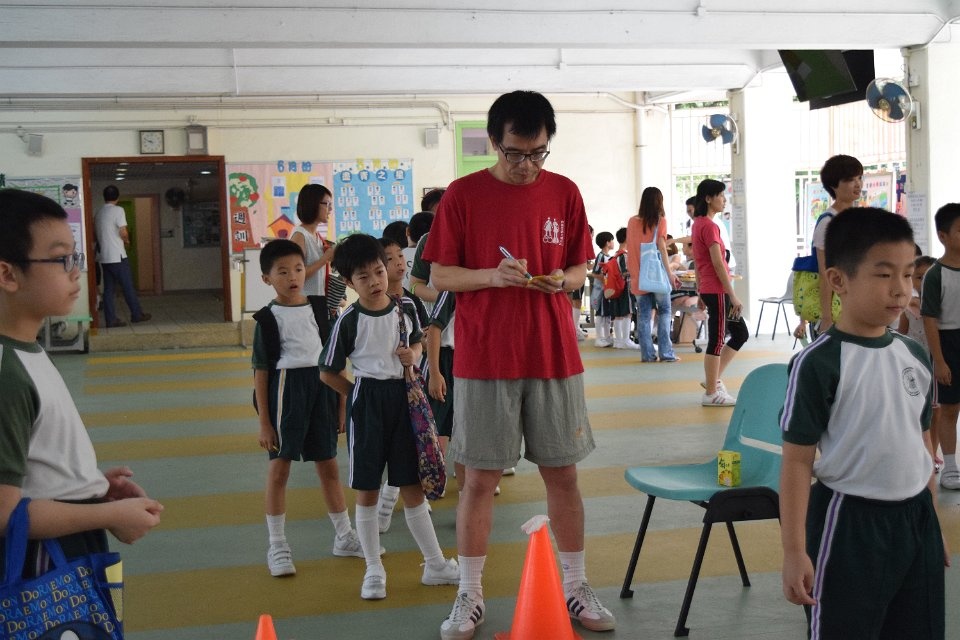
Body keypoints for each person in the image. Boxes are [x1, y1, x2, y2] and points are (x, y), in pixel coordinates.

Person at [423, 90, 615, 639]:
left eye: (537, 153)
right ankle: (469, 593)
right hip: (486, 358)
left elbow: (579, 266)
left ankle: (576, 583)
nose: (527, 165)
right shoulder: (463, 196)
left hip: (554, 353)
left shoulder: (565, 192)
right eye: (515, 154)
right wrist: (492, 275)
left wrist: (564, 280)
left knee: (564, 474)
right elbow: (439, 275)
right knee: (479, 479)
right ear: (493, 141)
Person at [780, 207, 947, 638]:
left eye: (908, 274)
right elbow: (797, 462)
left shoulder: (914, 355)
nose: (901, 289)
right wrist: (794, 551)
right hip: (849, 525)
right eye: (884, 274)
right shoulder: (818, 363)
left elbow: (922, 442)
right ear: (838, 280)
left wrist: (932, 521)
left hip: (917, 521)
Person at [0, 188, 163, 578]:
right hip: (40, 566)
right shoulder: (7, 373)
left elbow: (35, 473)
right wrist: (107, 514)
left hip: (64, 547)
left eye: (76, 256)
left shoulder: (27, 352)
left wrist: (88, 489)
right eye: (61, 259)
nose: (75, 271)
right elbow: (4, 515)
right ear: (7, 274)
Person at [318, 233, 459, 601]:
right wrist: (356, 396)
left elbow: (418, 340)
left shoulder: (405, 307)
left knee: (411, 487)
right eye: (363, 277)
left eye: (378, 272)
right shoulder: (348, 320)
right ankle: (373, 569)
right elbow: (328, 371)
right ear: (349, 283)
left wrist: (415, 354)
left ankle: (435, 564)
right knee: (367, 490)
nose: (374, 281)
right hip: (367, 402)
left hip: (404, 399)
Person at [252, 238, 366, 577]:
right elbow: (261, 372)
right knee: (279, 469)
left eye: (299, 269)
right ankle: (277, 545)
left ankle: (344, 535)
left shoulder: (320, 309)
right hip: (286, 391)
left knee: (328, 465)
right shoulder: (267, 319)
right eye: (283, 272)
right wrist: (265, 422)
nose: (293, 277)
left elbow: (334, 360)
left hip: (322, 389)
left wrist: (342, 404)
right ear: (267, 278)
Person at [692, 179, 748, 406]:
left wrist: (699, 291)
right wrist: (732, 294)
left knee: (740, 333)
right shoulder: (709, 226)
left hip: (710, 290)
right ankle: (711, 393)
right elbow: (717, 263)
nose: (724, 200)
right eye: (721, 195)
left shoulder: (698, 224)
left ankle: (712, 380)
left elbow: (699, 261)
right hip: (717, 291)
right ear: (708, 198)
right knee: (716, 339)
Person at [922, 202, 960, 491]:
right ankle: (951, 467)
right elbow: (930, 320)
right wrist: (940, 360)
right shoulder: (935, 274)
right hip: (949, 344)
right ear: (943, 236)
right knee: (949, 409)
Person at [627, 186, 681, 363]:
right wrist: (670, 274)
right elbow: (662, 249)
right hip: (657, 276)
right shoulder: (660, 221)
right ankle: (666, 353)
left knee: (643, 316)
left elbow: (631, 248)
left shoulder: (632, 222)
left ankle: (647, 355)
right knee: (664, 311)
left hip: (638, 277)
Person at [810, 155, 863, 335]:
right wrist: (827, 317)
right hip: (836, 311)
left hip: (856, 305)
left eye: (859, 178)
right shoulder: (828, 222)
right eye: (850, 180)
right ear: (834, 185)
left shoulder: (859, 219)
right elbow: (824, 273)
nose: (858, 184)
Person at [901, 255, 941, 470]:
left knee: (936, 411)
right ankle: (917, 453)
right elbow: (901, 334)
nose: (923, 282)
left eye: (927, 277)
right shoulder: (907, 306)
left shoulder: (942, 305)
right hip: (913, 363)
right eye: (918, 277)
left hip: (936, 363)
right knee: (915, 409)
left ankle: (932, 455)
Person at [94, 185, 150, 327]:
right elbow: (123, 231)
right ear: (117, 197)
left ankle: (111, 319)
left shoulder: (99, 212)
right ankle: (137, 314)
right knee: (128, 286)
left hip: (104, 257)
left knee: (108, 290)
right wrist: (127, 240)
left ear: (104, 197)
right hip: (117, 256)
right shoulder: (118, 210)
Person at [290, 183, 336, 298]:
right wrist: (324, 259)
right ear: (313, 204)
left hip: (318, 300)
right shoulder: (300, 236)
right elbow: (295, 275)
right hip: (304, 302)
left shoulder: (317, 236)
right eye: (327, 204)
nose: (330, 209)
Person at [590, 231, 615, 348]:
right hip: (601, 290)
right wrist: (606, 280)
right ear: (607, 243)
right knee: (600, 314)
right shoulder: (601, 256)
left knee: (607, 314)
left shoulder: (609, 257)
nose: (613, 243)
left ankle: (606, 337)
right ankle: (599, 338)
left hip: (607, 290)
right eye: (612, 240)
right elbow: (595, 273)